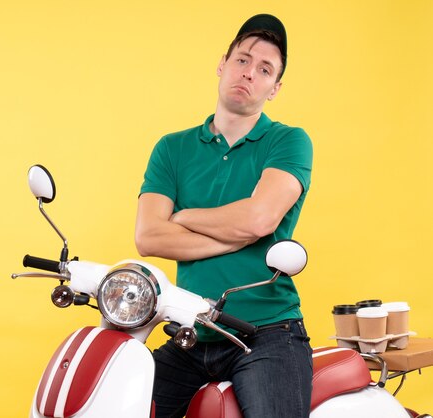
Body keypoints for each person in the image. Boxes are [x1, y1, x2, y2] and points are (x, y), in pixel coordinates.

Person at [134, 14, 313, 418]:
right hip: (190, 333)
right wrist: (238, 232)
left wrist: (182, 216)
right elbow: (148, 238)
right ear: (222, 64)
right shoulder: (172, 148)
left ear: (275, 89)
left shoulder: (289, 141)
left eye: (265, 70)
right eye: (243, 60)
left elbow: (259, 220)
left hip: (267, 332)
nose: (250, 73)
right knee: (123, 400)